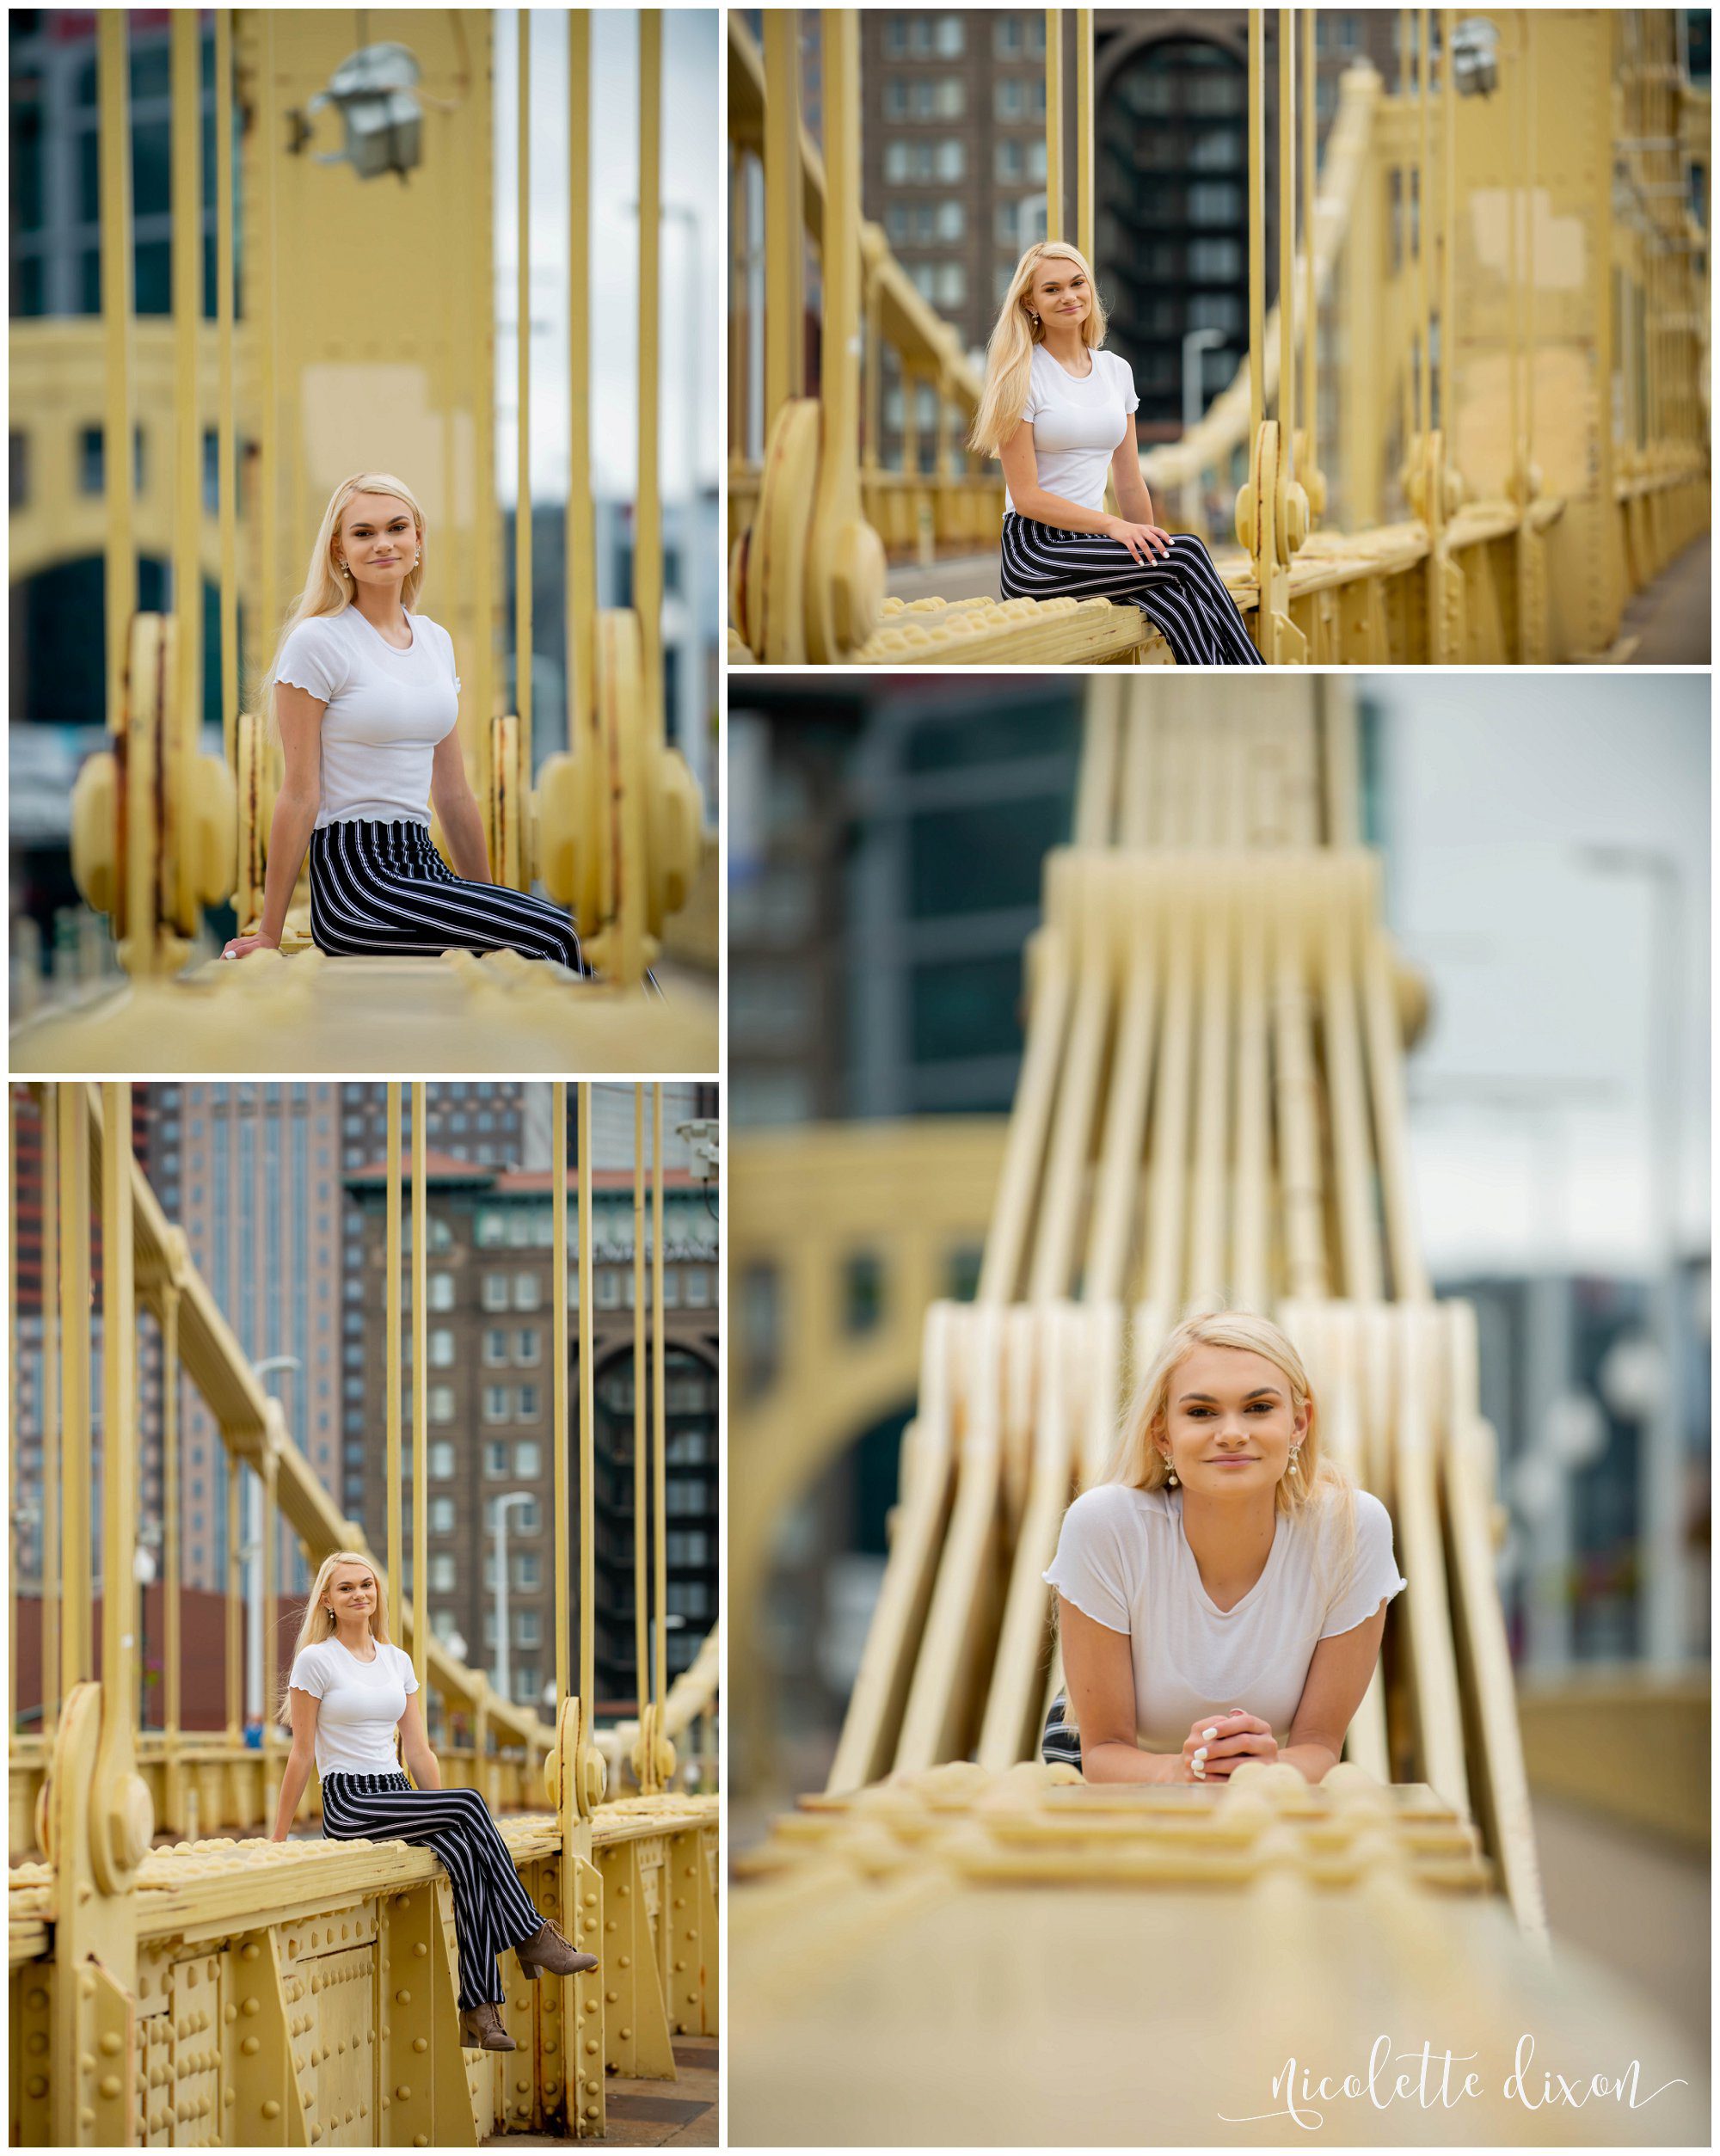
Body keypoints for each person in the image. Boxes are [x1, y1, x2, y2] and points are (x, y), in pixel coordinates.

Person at [222, 470, 588, 967]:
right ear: (338, 551)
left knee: (564, 932)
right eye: (363, 533)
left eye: (397, 528)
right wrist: (269, 930)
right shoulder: (318, 643)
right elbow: (299, 793)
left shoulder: (436, 641)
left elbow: (454, 794)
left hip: (424, 867)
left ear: (418, 538)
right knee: (558, 937)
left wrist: (489, 905)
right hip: (358, 884)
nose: (383, 544)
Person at [1041, 1310, 1406, 1782]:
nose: (1232, 1432)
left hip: (1264, 1780)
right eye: (1201, 1412)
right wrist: (1183, 1771)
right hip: (1112, 1775)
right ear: (1162, 1433)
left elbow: (1319, 1746)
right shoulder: (1105, 1526)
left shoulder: (1353, 1531)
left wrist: (1262, 1768)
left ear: (1299, 1424)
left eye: (1258, 1408)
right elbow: (1104, 1750)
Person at [271, 1551, 597, 2053]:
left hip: (397, 1795)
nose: (360, 1594)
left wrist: (440, 1819)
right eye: (345, 1588)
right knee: (467, 1803)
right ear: (328, 1602)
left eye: (367, 1585)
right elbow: (301, 1754)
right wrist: (276, 1839)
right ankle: (531, 1935)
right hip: (351, 1802)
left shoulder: (397, 1661)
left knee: (465, 1851)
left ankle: (480, 2011)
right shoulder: (316, 1661)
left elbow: (419, 1751)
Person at [968, 243, 1263, 666]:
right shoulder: (1021, 376)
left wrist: (1148, 547)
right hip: (1038, 551)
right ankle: (1255, 675)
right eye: (1052, 290)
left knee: (1178, 601)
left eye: (1077, 284)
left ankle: (1220, 698)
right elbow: (1028, 497)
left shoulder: (1116, 371)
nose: (1069, 297)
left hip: (1097, 546)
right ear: (1030, 302)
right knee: (1190, 552)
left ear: (1090, 289)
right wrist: (1117, 528)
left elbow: (1128, 480)